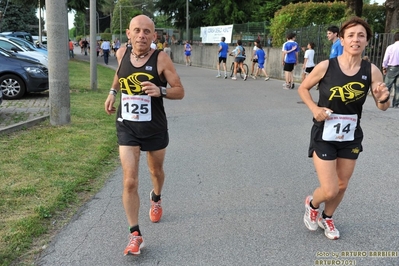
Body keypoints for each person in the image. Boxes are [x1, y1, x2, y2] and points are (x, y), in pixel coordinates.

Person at [298, 17, 390, 240]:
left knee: (341, 184)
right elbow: (303, 88)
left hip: (350, 135)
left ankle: (327, 217)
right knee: (329, 189)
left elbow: (382, 106)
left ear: (367, 41)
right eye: (350, 35)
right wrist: (314, 108)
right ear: (341, 39)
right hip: (325, 132)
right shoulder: (326, 66)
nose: (355, 40)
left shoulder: (372, 70)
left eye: (361, 36)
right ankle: (312, 203)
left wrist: (383, 98)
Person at [104, 14, 184, 256]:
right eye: (137, 30)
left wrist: (160, 90)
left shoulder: (161, 59)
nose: (141, 35)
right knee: (130, 180)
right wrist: (112, 92)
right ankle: (135, 234)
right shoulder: (121, 53)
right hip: (127, 125)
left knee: (155, 172)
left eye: (147, 31)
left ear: (154, 36)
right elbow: (120, 74)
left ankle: (156, 197)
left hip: (154, 127)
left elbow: (179, 91)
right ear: (128, 34)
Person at [382, 32, 399, 108]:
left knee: (387, 86)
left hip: (392, 67)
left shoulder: (390, 47)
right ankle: (396, 103)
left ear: (395, 38)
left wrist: (384, 67)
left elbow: (386, 59)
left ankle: (384, 101)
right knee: (398, 87)